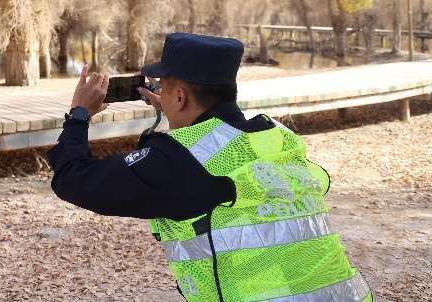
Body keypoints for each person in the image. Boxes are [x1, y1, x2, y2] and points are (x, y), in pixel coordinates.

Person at [49, 33, 372, 302]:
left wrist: (79, 116)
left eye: (164, 85)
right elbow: (218, 146)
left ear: (180, 96)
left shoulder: (178, 159)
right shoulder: (276, 138)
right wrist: (178, 110)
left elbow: (74, 179)